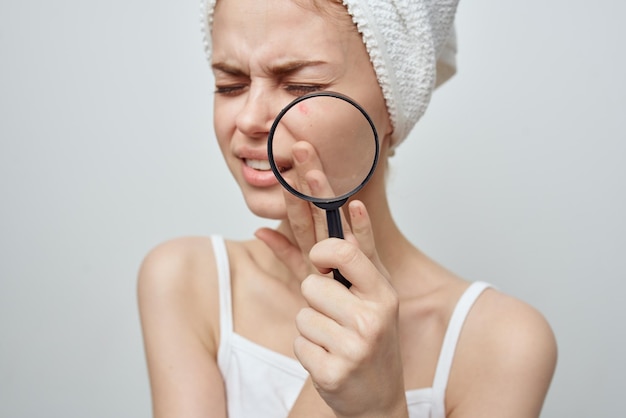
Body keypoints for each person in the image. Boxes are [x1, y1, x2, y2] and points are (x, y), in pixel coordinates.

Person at [137, 0, 558, 417]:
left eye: (299, 85)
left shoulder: (502, 344)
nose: (248, 118)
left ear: (393, 106)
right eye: (230, 85)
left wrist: (379, 408)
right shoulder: (186, 280)